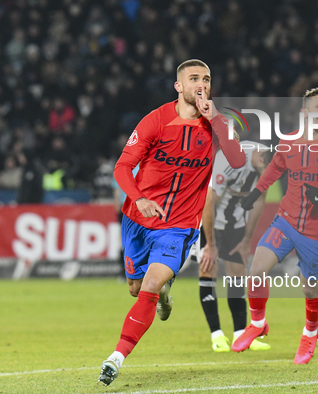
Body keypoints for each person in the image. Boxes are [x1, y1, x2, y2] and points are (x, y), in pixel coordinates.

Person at [98, 59, 245, 386]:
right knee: (137, 289)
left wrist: (216, 118)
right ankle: (164, 295)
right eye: (194, 79)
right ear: (179, 86)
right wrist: (139, 198)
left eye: (206, 79)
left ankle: (115, 358)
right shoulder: (157, 120)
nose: (201, 85)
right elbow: (122, 168)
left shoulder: (216, 124)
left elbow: (237, 159)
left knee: (148, 285)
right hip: (138, 219)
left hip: (179, 226)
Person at [232, 88, 318, 364]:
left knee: (309, 290)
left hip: (317, 231)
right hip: (286, 221)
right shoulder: (288, 141)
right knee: (256, 270)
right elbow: (275, 168)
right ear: (305, 113)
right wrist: (256, 193)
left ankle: (310, 332)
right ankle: (257, 324)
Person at [195, 142, 273, 352]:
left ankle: (241, 334)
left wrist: (247, 240)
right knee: (208, 269)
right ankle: (216, 334)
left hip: (235, 225)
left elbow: (258, 204)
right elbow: (209, 203)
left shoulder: (264, 170)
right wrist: (210, 245)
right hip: (209, 221)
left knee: (238, 274)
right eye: (262, 156)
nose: (264, 160)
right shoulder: (229, 162)